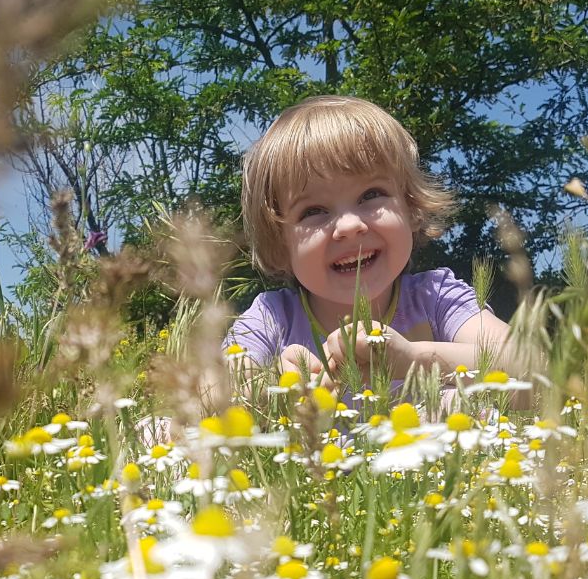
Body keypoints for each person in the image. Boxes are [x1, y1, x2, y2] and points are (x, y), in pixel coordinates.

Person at [225, 95, 525, 402]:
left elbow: (532, 369)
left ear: (411, 208)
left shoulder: (436, 297)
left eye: (371, 194)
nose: (349, 225)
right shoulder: (273, 318)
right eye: (313, 211)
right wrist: (275, 386)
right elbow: (212, 396)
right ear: (279, 245)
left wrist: (413, 360)